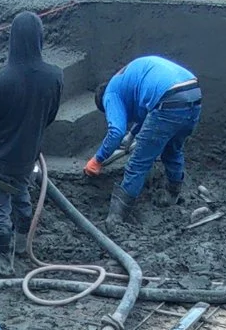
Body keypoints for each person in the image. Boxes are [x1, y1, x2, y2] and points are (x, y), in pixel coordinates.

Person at [0, 9, 64, 270]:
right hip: (27, 157)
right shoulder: (54, 77)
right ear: (40, 39)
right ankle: (23, 245)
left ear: (12, 39)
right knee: (22, 195)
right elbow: (50, 116)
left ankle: (5, 262)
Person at [83, 55, 202, 229]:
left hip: (167, 99)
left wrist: (97, 160)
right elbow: (145, 111)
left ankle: (115, 220)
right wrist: (131, 136)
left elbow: (115, 132)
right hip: (193, 93)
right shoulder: (125, 80)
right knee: (173, 150)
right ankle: (173, 195)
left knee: (138, 163)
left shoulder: (110, 94)